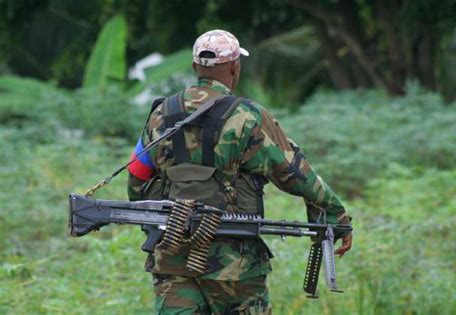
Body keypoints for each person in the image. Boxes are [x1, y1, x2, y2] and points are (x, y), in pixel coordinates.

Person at [127, 29, 352, 315]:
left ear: (196, 67)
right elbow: (296, 174)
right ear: (235, 67)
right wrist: (336, 216)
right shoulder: (248, 115)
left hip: (172, 256)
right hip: (235, 264)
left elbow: (136, 181)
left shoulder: (161, 113)